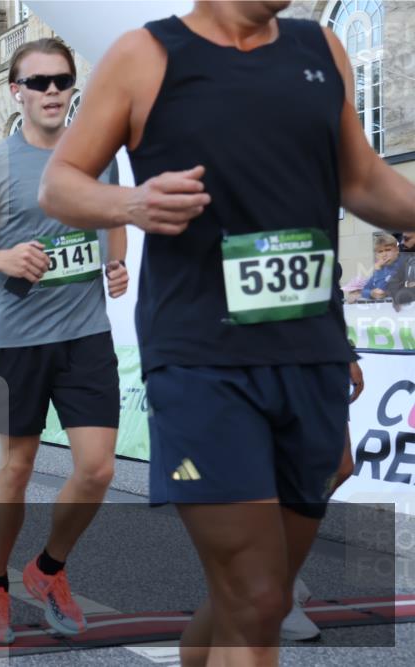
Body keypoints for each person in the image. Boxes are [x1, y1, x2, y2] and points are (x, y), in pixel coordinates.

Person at [38, 1, 415, 661]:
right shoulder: (144, 55)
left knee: (248, 600)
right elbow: (60, 185)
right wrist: (132, 202)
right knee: (260, 599)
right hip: (199, 358)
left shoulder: (321, 49)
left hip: (309, 351)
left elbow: (360, 179)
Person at [0, 37, 129, 645]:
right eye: (40, 82)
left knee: (98, 469)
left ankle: (48, 569)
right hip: (14, 344)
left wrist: (116, 264)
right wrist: (2, 257)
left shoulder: (98, 154)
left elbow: (112, 217)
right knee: (16, 468)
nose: (53, 91)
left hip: (87, 336)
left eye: (63, 80)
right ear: (16, 91)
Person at [361, 233, 401, 301]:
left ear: (397, 251)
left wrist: (378, 269)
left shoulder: (404, 266)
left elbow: (382, 290)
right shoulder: (381, 269)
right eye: (380, 251)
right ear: (377, 255)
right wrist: (371, 293)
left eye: (388, 250)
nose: (384, 254)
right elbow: (364, 290)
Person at [388, 231, 415, 308]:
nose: (402, 242)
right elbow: (392, 282)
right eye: (402, 239)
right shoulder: (405, 260)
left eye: (407, 239)